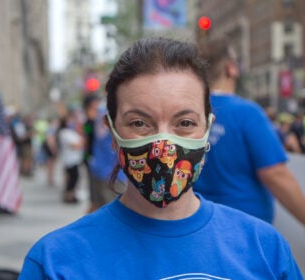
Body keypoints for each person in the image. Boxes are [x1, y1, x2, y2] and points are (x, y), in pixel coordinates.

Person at [19, 37, 302, 279]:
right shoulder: (55, 262)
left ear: (207, 128)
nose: (164, 144)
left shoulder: (265, 248)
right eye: (140, 123)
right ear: (113, 133)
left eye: (185, 123)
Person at [193, 37, 305, 225]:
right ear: (231, 69)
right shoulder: (246, 113)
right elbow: (275, 174)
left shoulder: (188, 113)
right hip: (245, 228)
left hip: (199, 223)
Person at [86, 99, 127, 213]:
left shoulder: (101, 111)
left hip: (98, 166)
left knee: (97, 208)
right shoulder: (112, 111)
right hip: (113, 172)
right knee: (115, 213)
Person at [58, 115, 84, 203]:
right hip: (70, 160)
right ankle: (69, 196)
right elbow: (75, 145)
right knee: (72, 179)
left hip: (75, 159)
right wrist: (82, 142)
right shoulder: (64, 133)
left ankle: (72, 194)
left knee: (75, 178)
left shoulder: (71, 132)